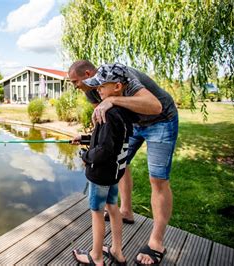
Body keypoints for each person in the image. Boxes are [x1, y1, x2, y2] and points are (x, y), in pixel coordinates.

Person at [69, 60, 178, 265]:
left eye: (75, 81)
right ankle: (125, 211)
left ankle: (156, 242)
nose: (76, 86)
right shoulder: (92, 89)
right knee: (121, 161)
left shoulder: (124, 76)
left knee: (158, 179)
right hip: (133, 124)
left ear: (87, 73)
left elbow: (155, 106)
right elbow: (104, 126)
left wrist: (115, 101)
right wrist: (86, 138)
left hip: (161, 120)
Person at [72, 64, 134, 266]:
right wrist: (83, 138)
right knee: (113, 207)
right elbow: (110, 141)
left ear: (117, 86)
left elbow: (104, 150)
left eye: (101, 85)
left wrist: (85, 155)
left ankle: (96, 256)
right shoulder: (123, 111)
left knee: (97, 213)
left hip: (100, 175)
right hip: (114, 173)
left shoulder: (107, 113)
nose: (97, 89)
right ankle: (117, 250)